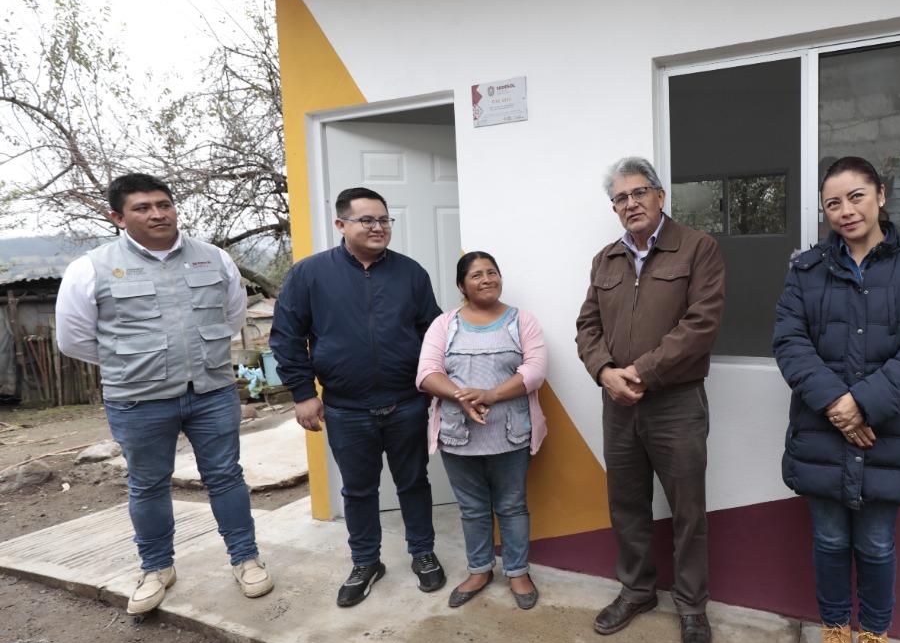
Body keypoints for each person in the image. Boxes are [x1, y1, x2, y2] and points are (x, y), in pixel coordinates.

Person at [773, 156, 900, 643]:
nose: (845, 210)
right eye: (833, 203)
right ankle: (834, 634)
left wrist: (864, 406)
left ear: (881, 196)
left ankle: (873, 640)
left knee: (875, 544)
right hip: (821, 432)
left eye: (855, 197)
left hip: (887, 433)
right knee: (828, 540)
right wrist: (836, 405)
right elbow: (789, 342)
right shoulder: (805, 271)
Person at [55, 173, 273, 614]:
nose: (157, 214)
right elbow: (74, 339)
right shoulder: (91, 268)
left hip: (211, 391)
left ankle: (246, 559)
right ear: (118, 217)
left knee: (226, 476)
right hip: (138, 399)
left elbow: (232, 317)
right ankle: (156, 568)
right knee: (148, 484)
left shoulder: (214, 258)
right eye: (142, 208)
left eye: (164, 204)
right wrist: (134, 364)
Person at [575, 156, 725, 643]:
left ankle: (692, 606)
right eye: (620, 198)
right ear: (613, 208)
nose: (631, 203)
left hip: (676, 402)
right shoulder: (605, 260)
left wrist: (640, 372)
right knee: (627, 504)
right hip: (618, 403)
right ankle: (637, 590)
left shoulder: (698, 247)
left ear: (660, 195)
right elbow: (587, 327)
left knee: (688, 511)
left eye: (639, 192)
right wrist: (605, 372)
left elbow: (701, 324)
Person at [269, 187, 446, 607]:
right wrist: (303, 393)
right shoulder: (310, 274)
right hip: (345, 409)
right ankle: (366, 562)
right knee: (359, 490)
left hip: (406, 403)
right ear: (341, 224)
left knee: (413, 483)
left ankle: (422, 552)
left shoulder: (411, 273)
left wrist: (436, 384)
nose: (378, 227)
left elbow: (433, 332)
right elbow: (287, 337)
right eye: (367, 220)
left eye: (384, 219)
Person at [416, 252, 548, 610]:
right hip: (458, 436)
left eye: (492, 272)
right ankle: (479, 570)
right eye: (476, 275)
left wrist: (490, 395)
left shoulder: (522, 321)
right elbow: (427, 373)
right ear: (462, 285)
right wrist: (462, 398)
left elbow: (535, 370)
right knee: (472, 508)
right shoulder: (444, 324)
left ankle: (517, 572)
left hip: (510, 434)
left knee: (512, 505)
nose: (486, 279)